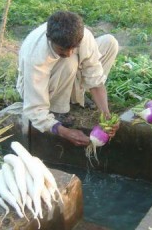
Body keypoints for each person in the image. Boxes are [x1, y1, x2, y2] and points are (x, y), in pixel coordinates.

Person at [16, 11, 119, 146]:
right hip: (40, 88)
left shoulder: (83, 37)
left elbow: (95, 78)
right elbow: (34, 109)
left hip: (65, 77)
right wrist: (62, 131)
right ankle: (58, 110)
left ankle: (77, 96)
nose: (69, 53)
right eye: (62, 49)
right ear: (49, 38)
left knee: (109, 42)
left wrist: (106, 115)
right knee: (69, 62)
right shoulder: (35, 55)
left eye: (73, 48)